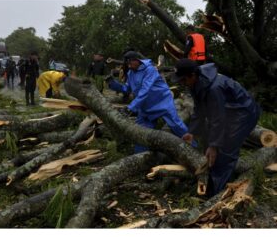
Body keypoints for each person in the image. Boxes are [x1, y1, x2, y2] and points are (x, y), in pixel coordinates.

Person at [171, 58, 260, 197]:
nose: (182, 84)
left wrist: (214, 146)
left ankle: (216, 195)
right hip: (229, 111)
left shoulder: (214, 88)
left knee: (225, 150)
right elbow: (200, 109)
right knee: (209, 139)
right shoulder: (196, 84)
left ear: (192, 75)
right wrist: (192, 132)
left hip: (243, 114)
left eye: (183, 80)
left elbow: (218, 118)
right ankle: (209, 176)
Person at [105, 51, 194, 154]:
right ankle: (142, 158)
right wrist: (113, 83)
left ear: (137, 60)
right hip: (146, 107)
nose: (128, 66)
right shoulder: (130, 73)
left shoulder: (150, 70)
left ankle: (194, 149)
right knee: (141, 134)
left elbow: (145, 90)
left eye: (129, 63)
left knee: (177, 126)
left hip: (162, 102)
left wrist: (130, 108)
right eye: (127, 64)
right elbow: (126, 89)